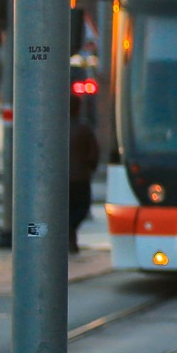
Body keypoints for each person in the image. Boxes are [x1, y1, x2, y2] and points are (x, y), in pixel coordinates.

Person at [68, 103, 101, 248]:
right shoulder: (84, 129)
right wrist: (90, 167)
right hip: (80, 178)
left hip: (58, 180)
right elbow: (94, 153)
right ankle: (69, 232)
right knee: (81, 207)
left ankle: (68, 234)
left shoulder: (53, 129)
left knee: (63, 209)